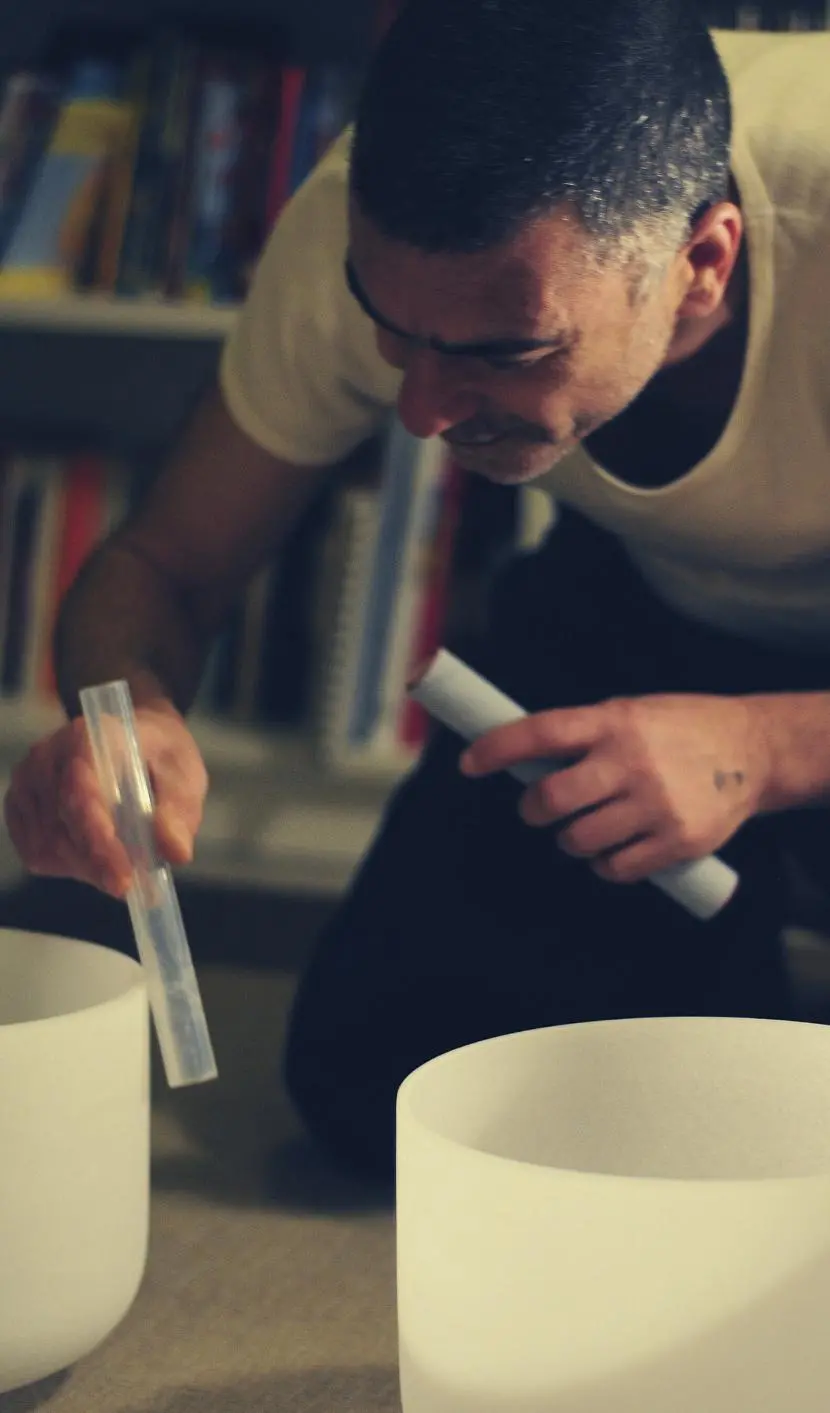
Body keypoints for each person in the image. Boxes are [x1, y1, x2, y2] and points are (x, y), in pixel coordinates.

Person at [5, 0, 830, 1182]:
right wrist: (123, 711)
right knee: (377, 1082)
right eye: (395, 335)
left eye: (505, 352)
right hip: (634, 610)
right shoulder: (371, 227)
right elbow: (160, 567)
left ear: (700, 264)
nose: (422, 413)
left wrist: (764, 750)